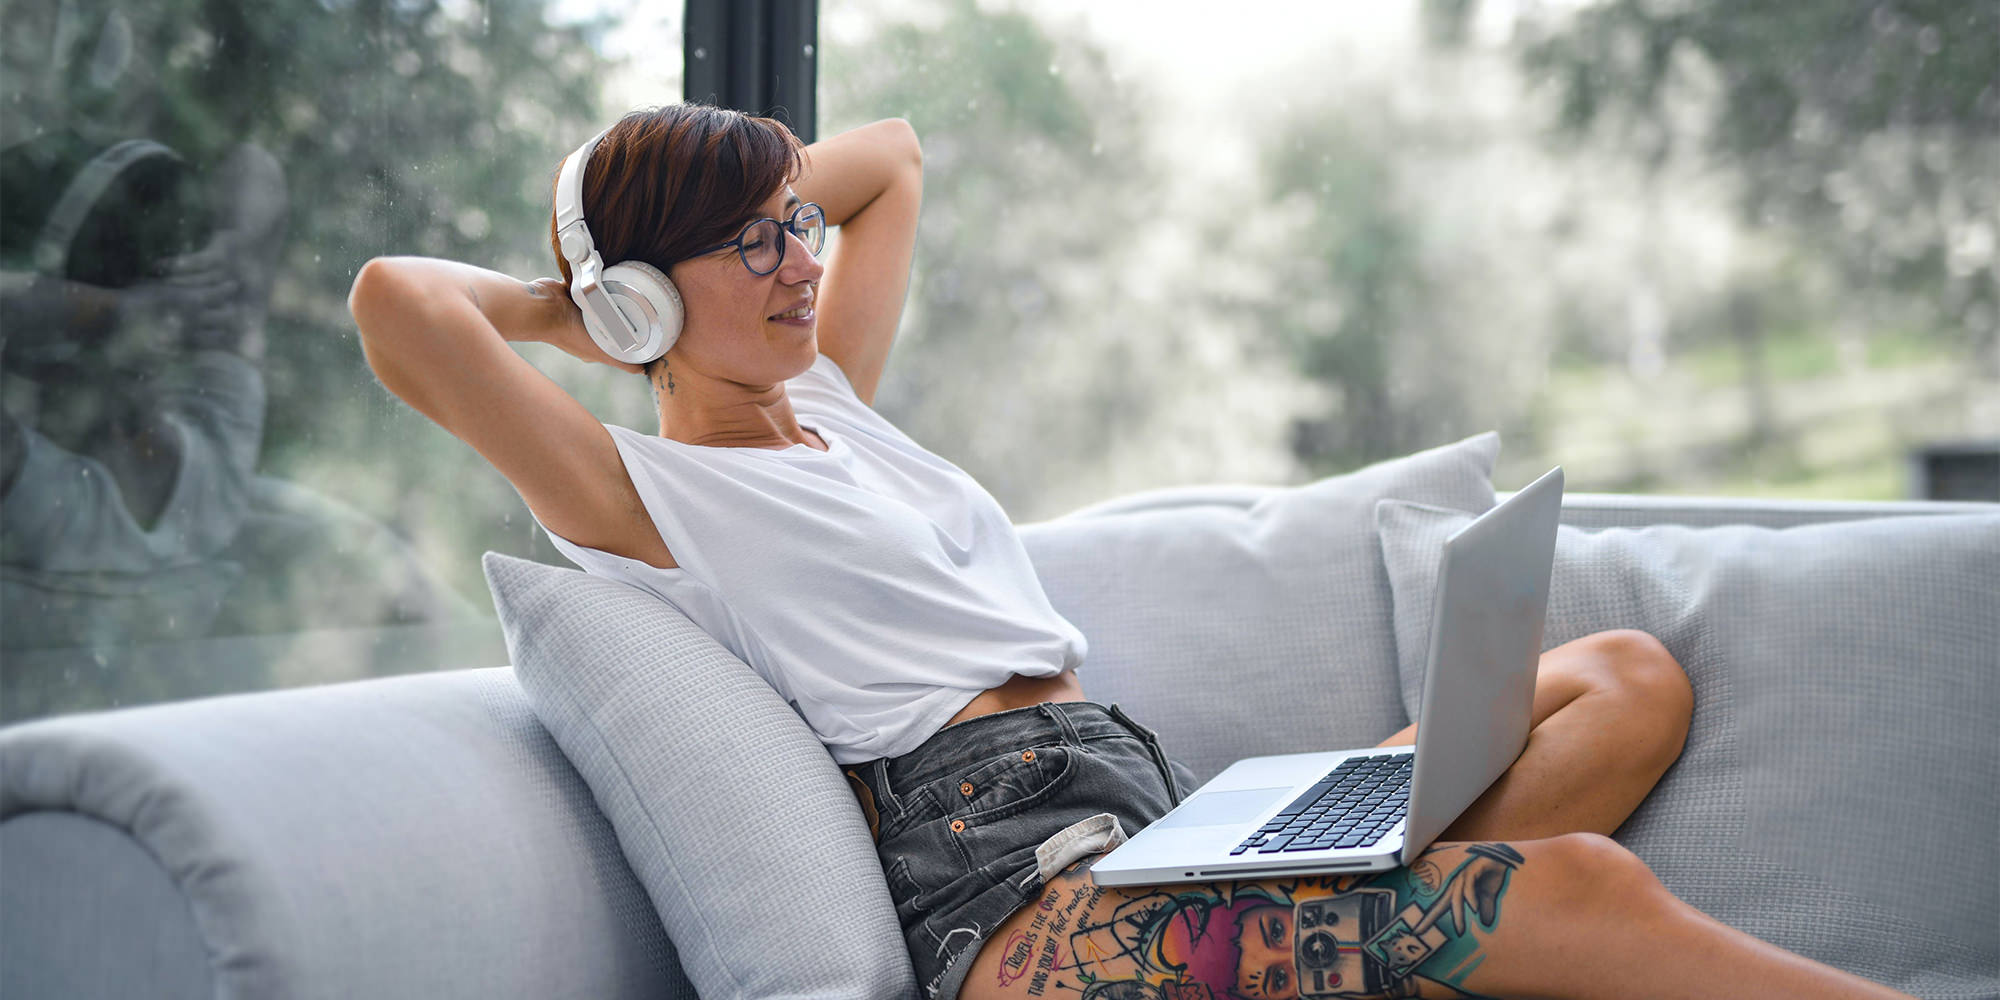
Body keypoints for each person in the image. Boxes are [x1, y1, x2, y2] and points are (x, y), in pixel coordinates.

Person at [346, 103, 1917, 1000]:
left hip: (1152, 831)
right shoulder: (643, 496)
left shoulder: (830, 407)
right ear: (648, 295)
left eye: (791, 227)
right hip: (1019, 911)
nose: (798, 260)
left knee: (1620, 678)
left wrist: (733, 221)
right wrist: (596, 297)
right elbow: (394, 310)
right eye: (753, 239)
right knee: (1567, 885)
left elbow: (886, 158)